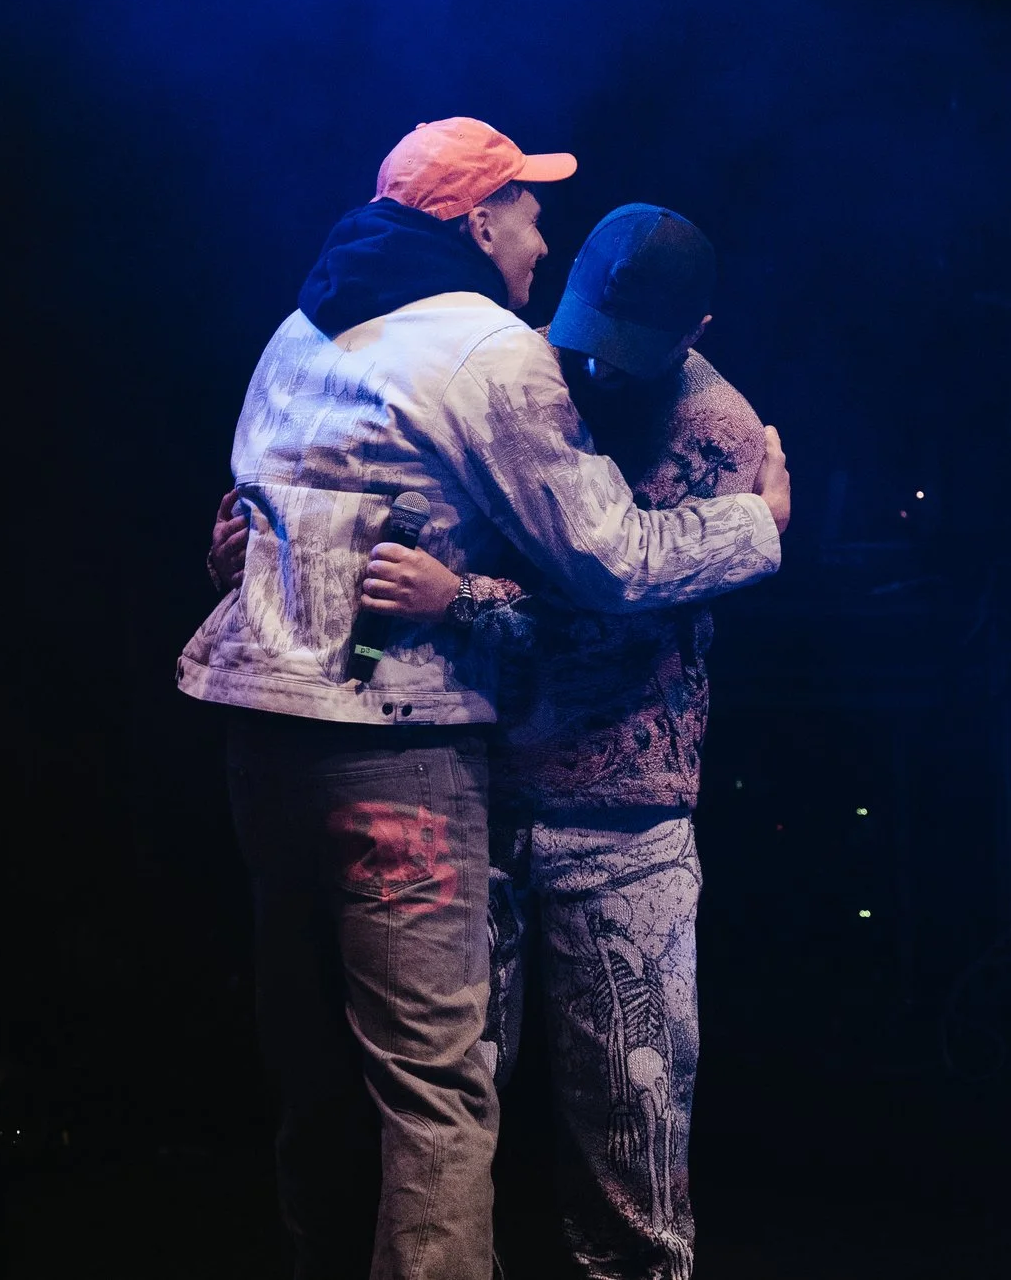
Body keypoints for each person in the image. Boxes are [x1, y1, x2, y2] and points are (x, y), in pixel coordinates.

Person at [183, 123, 791, 1280]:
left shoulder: (300, 328)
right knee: (429, 1101)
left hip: (320, 739)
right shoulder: (494, 352)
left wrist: (291, 562)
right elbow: (610, 559)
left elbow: (287, 504)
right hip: (417, 756)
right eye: (524, 207)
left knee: (356, 1091)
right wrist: (759, 524)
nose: (538, 232)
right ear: (476, 223)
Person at [358, 204, 759, 1279]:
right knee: (435, 1130)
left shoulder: (718, 433)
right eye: (583, 330)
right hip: (477, 800)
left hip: (624, 824)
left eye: (625, 348)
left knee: (631, 1172)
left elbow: (621, 621)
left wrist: (463, 601)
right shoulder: (518, 373)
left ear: (698, 326)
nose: (595, 364)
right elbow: (410, 528)